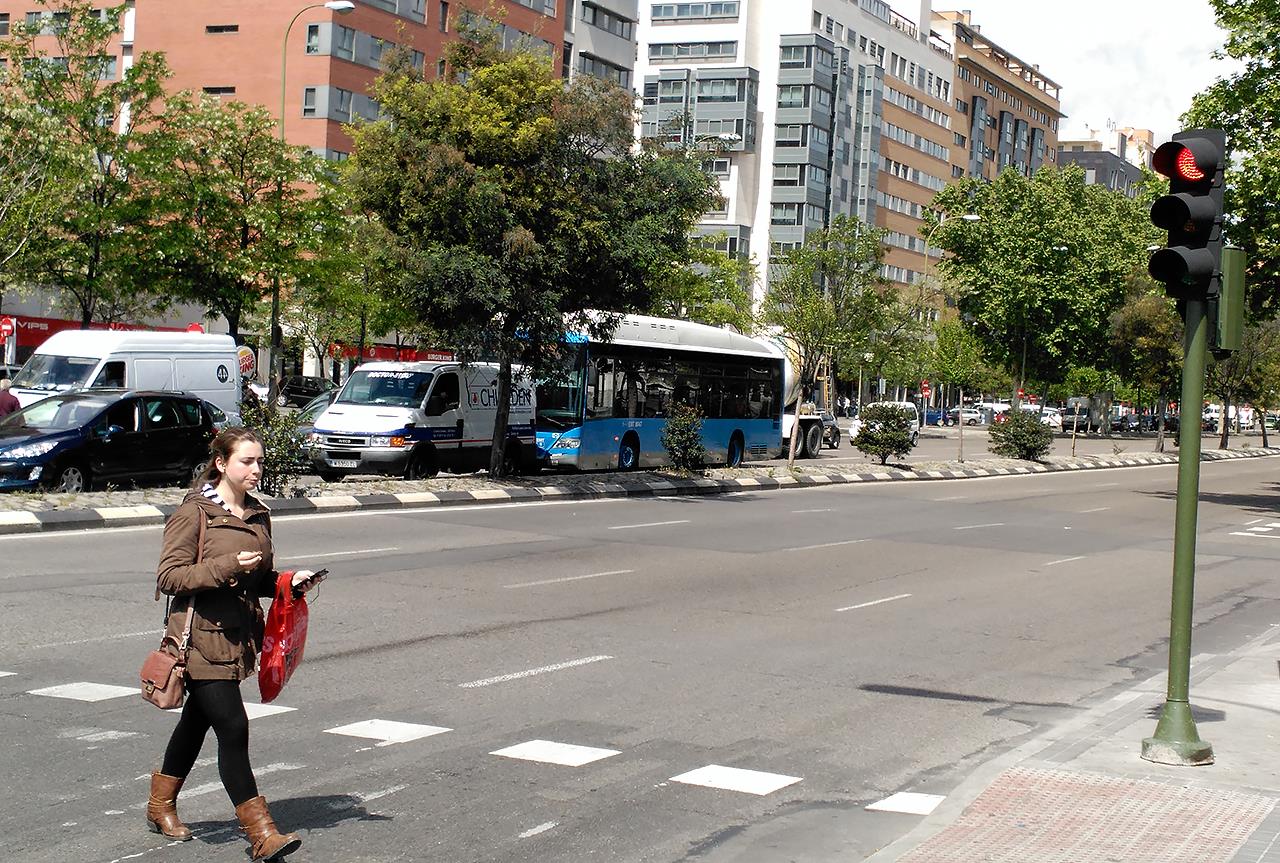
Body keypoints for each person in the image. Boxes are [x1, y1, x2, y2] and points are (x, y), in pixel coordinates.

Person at [148, 427, 320, 861]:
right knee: (233, 727)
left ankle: (159, 804)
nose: (256, 470)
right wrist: (224, 566)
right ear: (222, 464)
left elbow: (260, 579)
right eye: (247, 461)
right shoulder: (195, 514)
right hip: (199, 639)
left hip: (239, 639)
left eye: (260, 461)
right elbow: (169, 577)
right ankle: (261, 834)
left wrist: (287, 582)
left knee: (195, 723)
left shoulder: (259, 515)